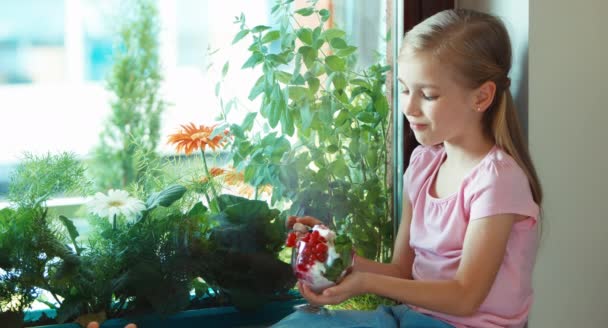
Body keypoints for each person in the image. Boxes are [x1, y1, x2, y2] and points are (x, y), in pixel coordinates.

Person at [273, 8, 542, 328]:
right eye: (403, 89)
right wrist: (335, 255)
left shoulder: (497, 180)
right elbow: (403, 270)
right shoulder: (424, 163)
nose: (409, 108)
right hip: (411, 317)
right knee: (298, 323)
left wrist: (366, 283)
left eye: (428, 95)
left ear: (481, 96)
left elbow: (465, 296)